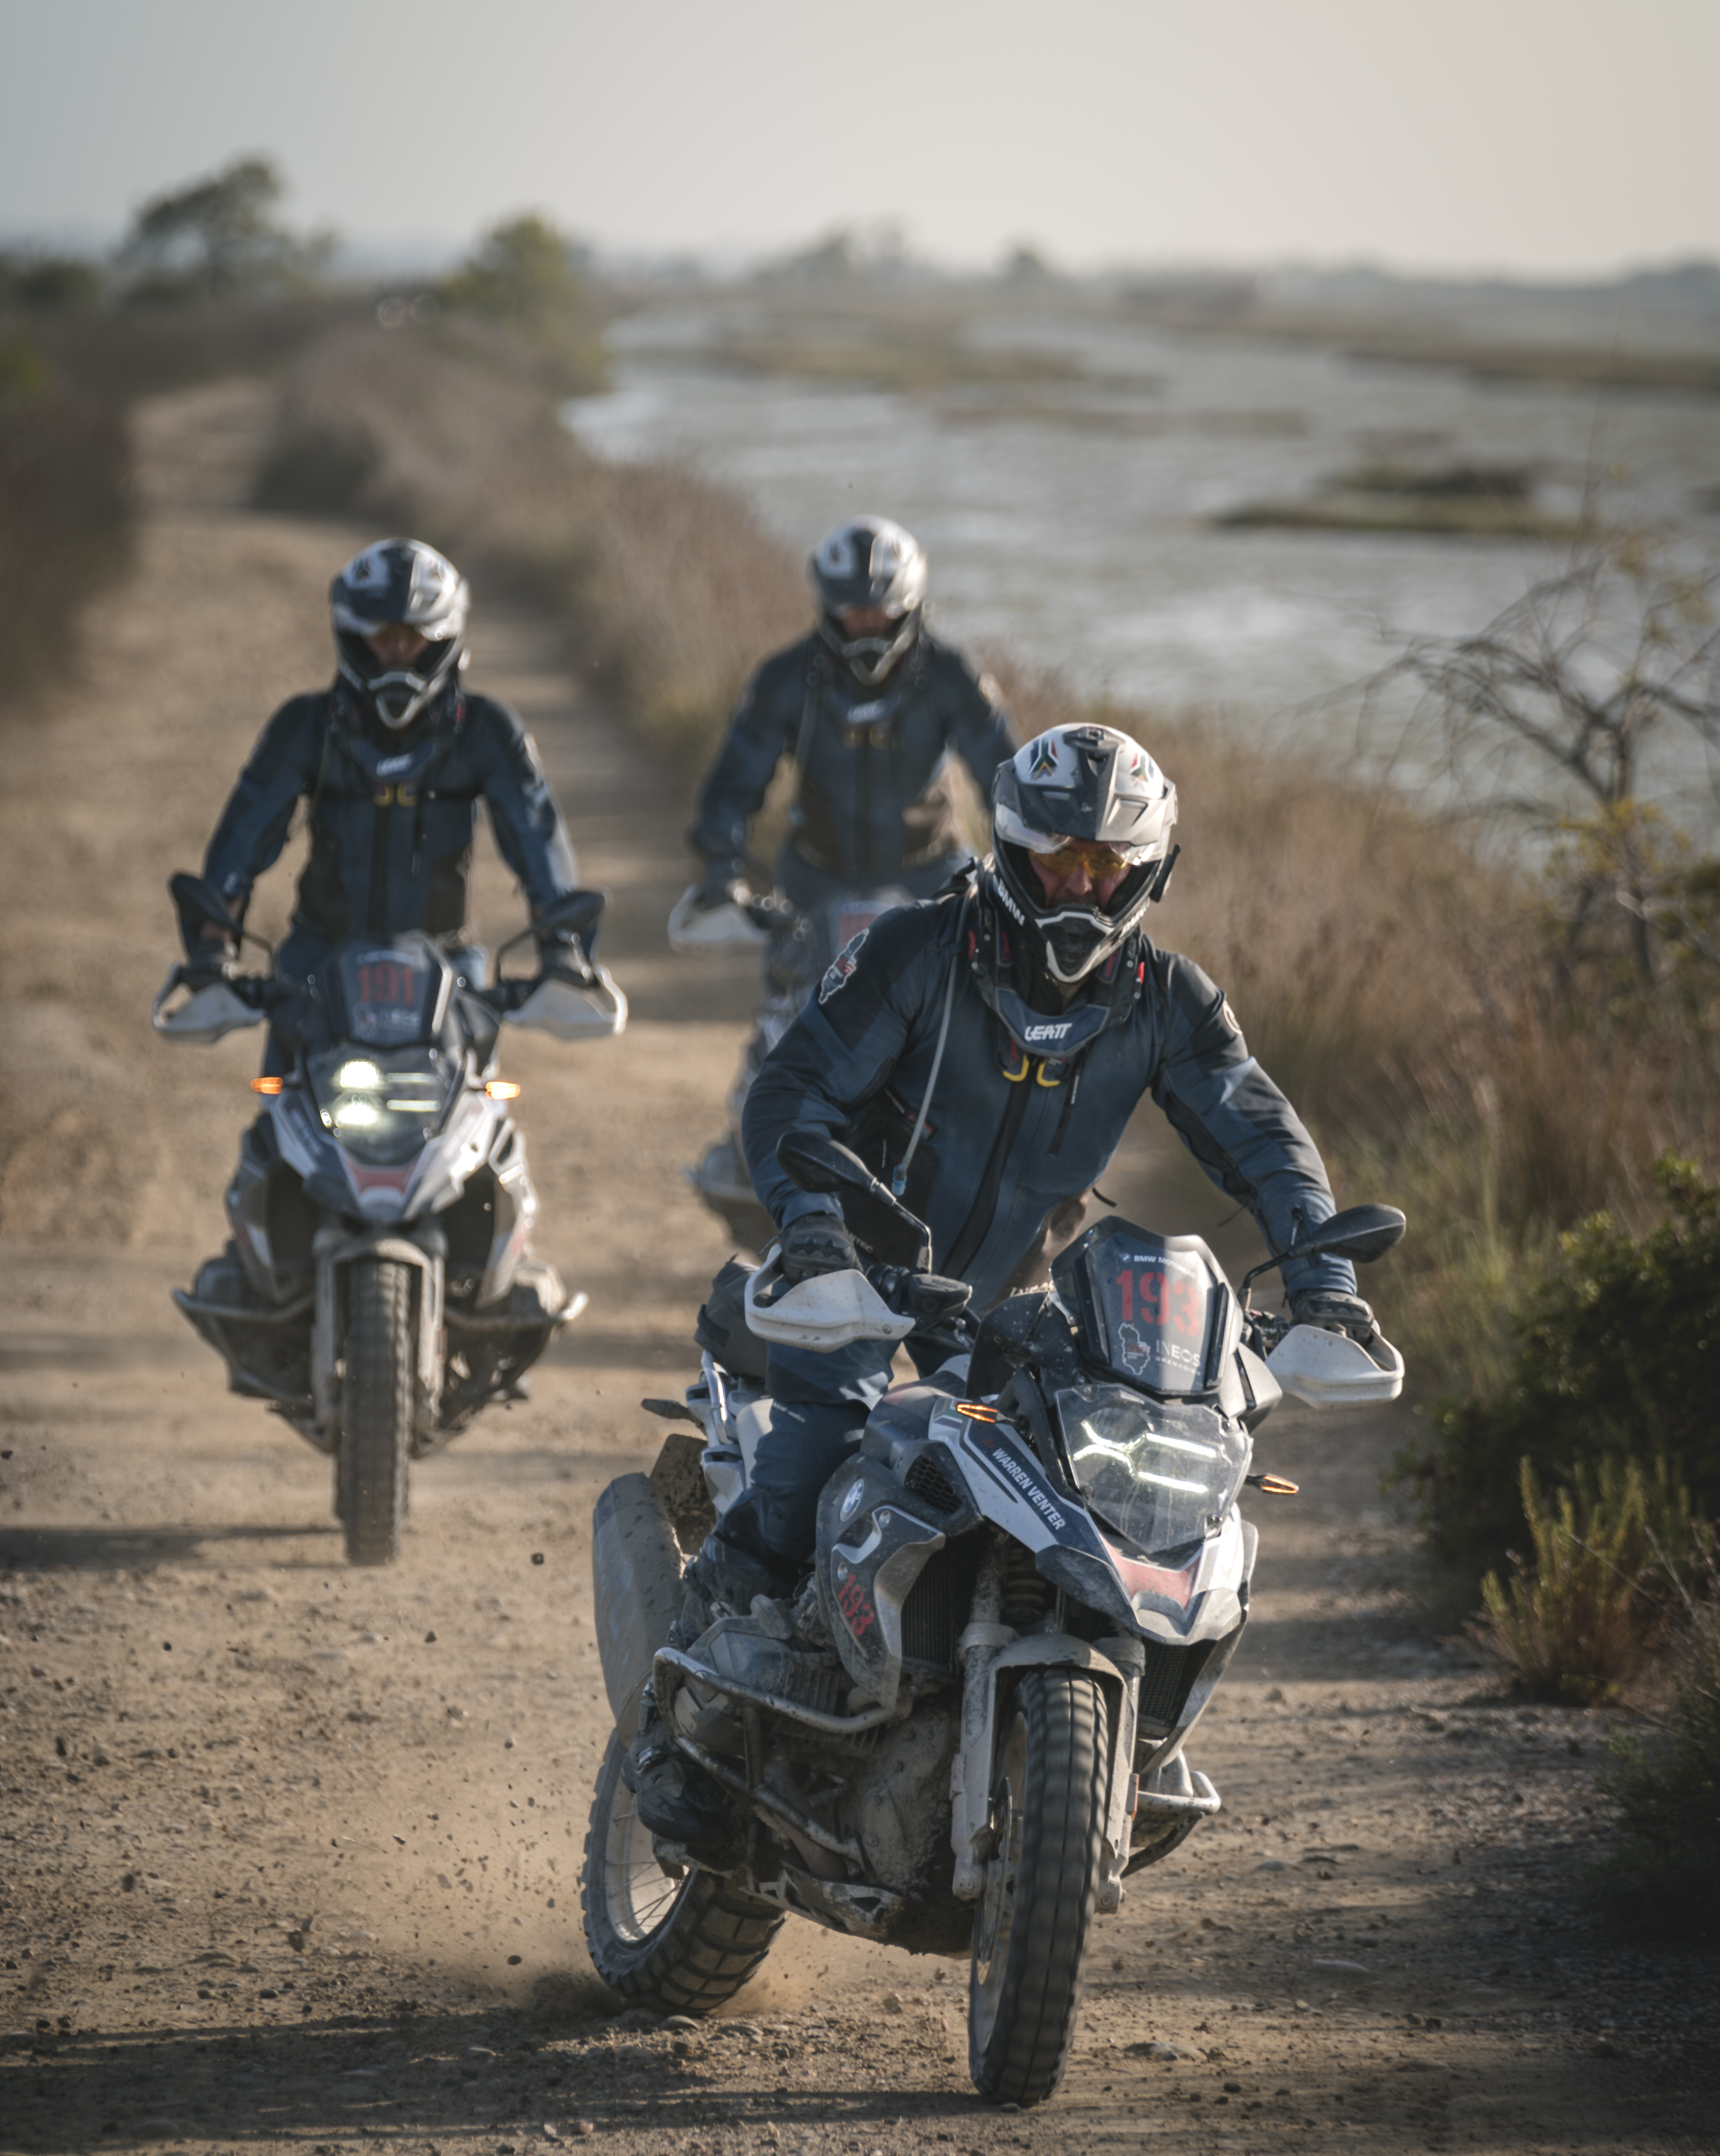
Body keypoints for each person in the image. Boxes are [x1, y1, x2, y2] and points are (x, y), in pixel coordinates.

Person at [631, 721, 1376, 1852]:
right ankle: (674, 1720)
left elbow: (1264, 1140)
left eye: (1105, 867)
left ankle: (1065, 1706)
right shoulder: (915, 951)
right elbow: (794, 1094)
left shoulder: (1168, 1001)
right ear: (1011, 849)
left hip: (1019, 1293)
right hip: (862, 1267)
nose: (1079, 886)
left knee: (1097, 1483)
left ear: (1148, 872)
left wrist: (1324, 1283)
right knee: (808, 1468)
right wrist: (817, 1231)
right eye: (1057, 860)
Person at [676, 518, 1018, 1238]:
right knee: (790, 1012)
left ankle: (996, 1159)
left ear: (910, 606)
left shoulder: (951, 674)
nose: (866, 625)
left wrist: (1021, 870)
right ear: (827, 607)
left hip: (934, 876)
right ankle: (757, 1148)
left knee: (983, 1013)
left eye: (880, 613)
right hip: (816, 881)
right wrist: (720, 869)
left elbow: (1004, 776)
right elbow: (735, 782)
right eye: (852, 612)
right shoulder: (785, 678)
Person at [184, 537, 584, 1028]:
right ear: (352, 633)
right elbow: (246, 831)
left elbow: (535, 833)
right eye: (382, 633)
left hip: (449, 964)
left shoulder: (488, 730)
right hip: (318, 959)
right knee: (285, 1073)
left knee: (479, 1076)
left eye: (413, 634)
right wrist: (213, 945)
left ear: (444, 634)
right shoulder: (304, 725)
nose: (397, 648)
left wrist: (562, 944)